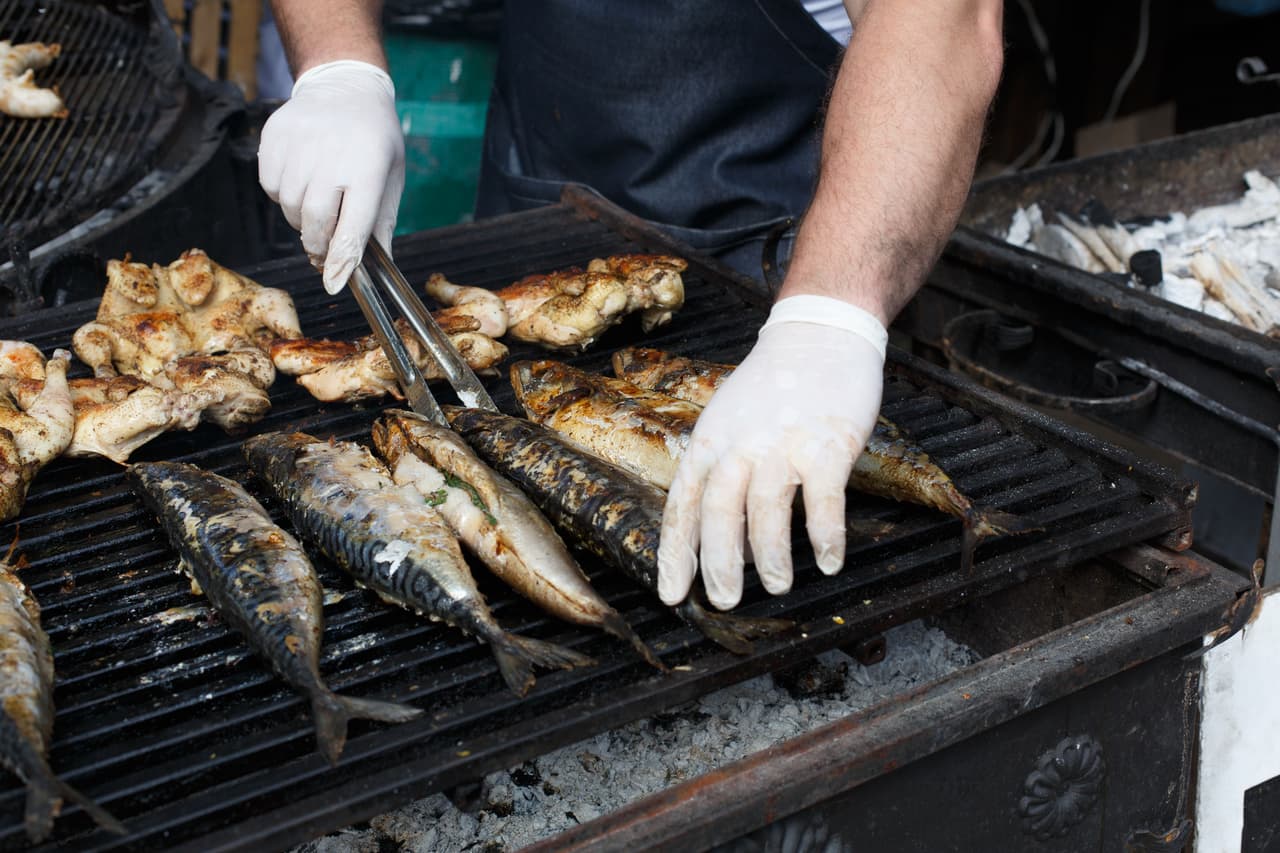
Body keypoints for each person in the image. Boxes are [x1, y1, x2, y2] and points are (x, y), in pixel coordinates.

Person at [258, 0, 1004, 612]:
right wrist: (338, 67)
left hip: (789, 249)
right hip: (539, 194)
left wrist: (832, 313)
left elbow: (943, 20)